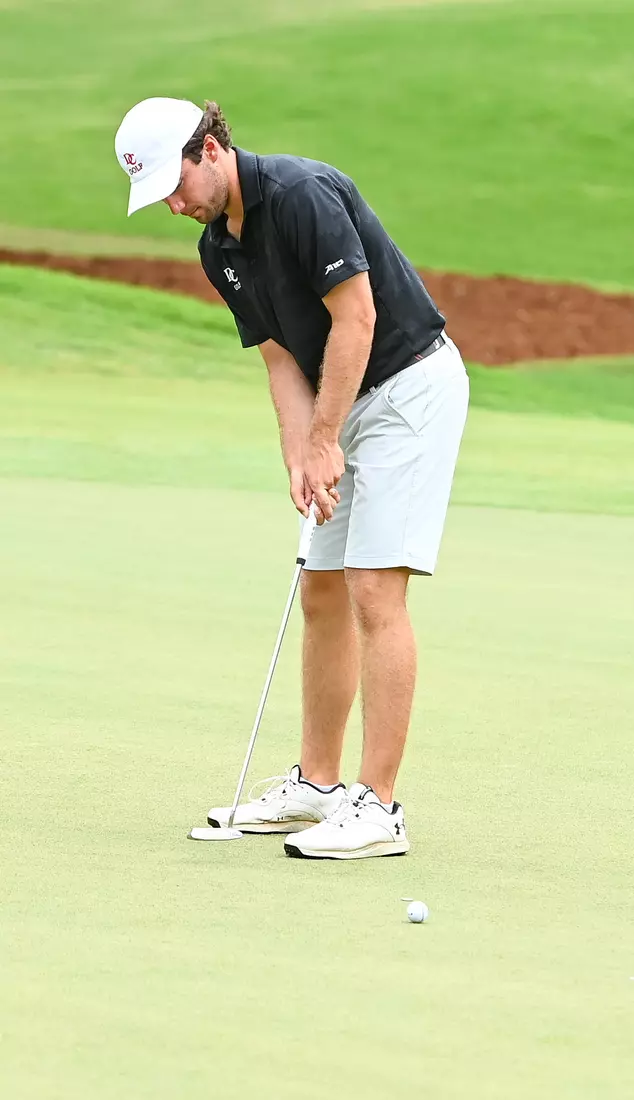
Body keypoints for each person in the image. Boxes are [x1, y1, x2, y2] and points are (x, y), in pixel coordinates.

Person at [115, 96, 469, 860]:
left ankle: (378, 808)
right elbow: (281, 357)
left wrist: (324, 439)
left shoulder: (301, 194)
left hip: (408, 386)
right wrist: (298, 454)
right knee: (322, 586)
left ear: (208, 148)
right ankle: (318, 784)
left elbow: (358, 319)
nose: (175, 206)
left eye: (176, 186)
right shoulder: (218, 249)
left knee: (375, 586)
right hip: (339, 403)